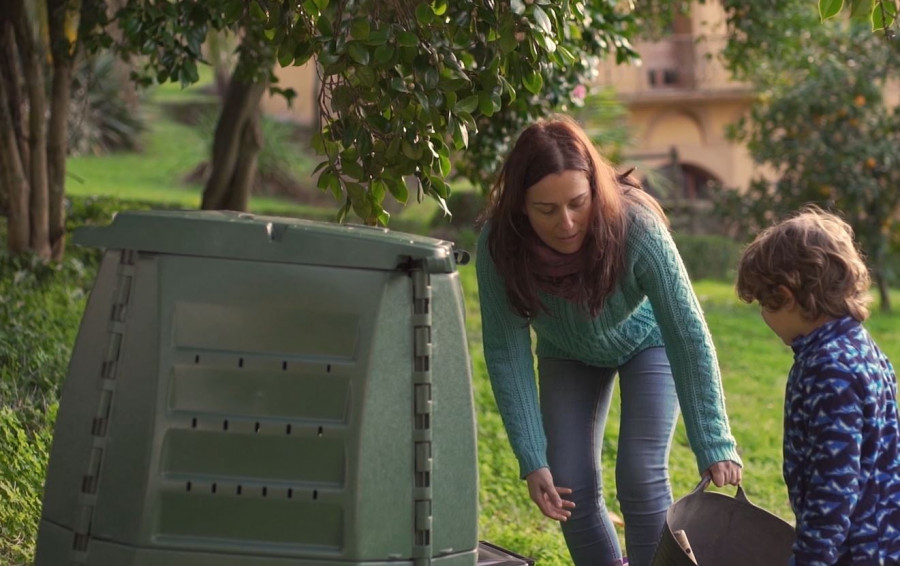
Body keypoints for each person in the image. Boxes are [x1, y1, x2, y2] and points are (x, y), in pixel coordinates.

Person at [475, 115, 743, 566]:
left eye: (578, 203)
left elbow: (686, 330)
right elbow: (506, 351)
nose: (566, 222)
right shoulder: (499, 246)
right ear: (520, 206)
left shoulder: (636, 225)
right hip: (566, 351)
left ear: (595, 190)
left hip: (647, 341)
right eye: (546, 209)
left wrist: (713, 438)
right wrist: (531, 454)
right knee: (567, 485)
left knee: (640, 474)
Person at [736, 206, 900, 565]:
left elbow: (834, 491)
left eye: (765, 303)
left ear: (786, 295)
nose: (764, 316)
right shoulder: (859, 345)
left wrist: (810, 560)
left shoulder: (831, 370)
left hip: (857, 551)